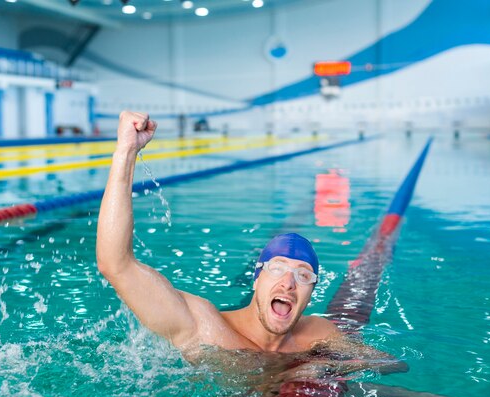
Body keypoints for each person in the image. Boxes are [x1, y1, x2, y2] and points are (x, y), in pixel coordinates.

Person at [97, 110, 371, 354]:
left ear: (311, 292)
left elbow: (390, 368)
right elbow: (116, 264)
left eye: (303, 275)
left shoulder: (318, 335)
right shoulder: (204, 326)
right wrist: (125, 151)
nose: (288, 283)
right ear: (256, 279)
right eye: (277, 268)